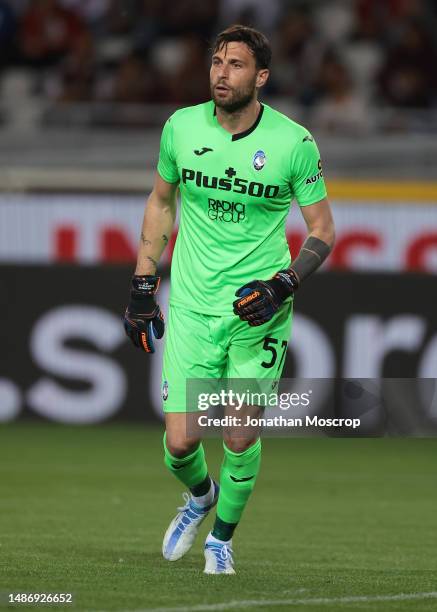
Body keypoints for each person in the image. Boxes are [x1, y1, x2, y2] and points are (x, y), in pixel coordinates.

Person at [123, 24, 335, 575]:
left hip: (257, 309)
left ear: (261, 76)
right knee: (178, 445)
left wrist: (283, 285)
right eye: (217, 62)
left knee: (240, 433)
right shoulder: (181, 127)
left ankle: (221, 539)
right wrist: (144, 284)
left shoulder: (294, 143)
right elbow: (161, 203)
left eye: (236, 64)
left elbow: (322, 232)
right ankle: (200, 497)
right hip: (193, 305)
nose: (222, 72)